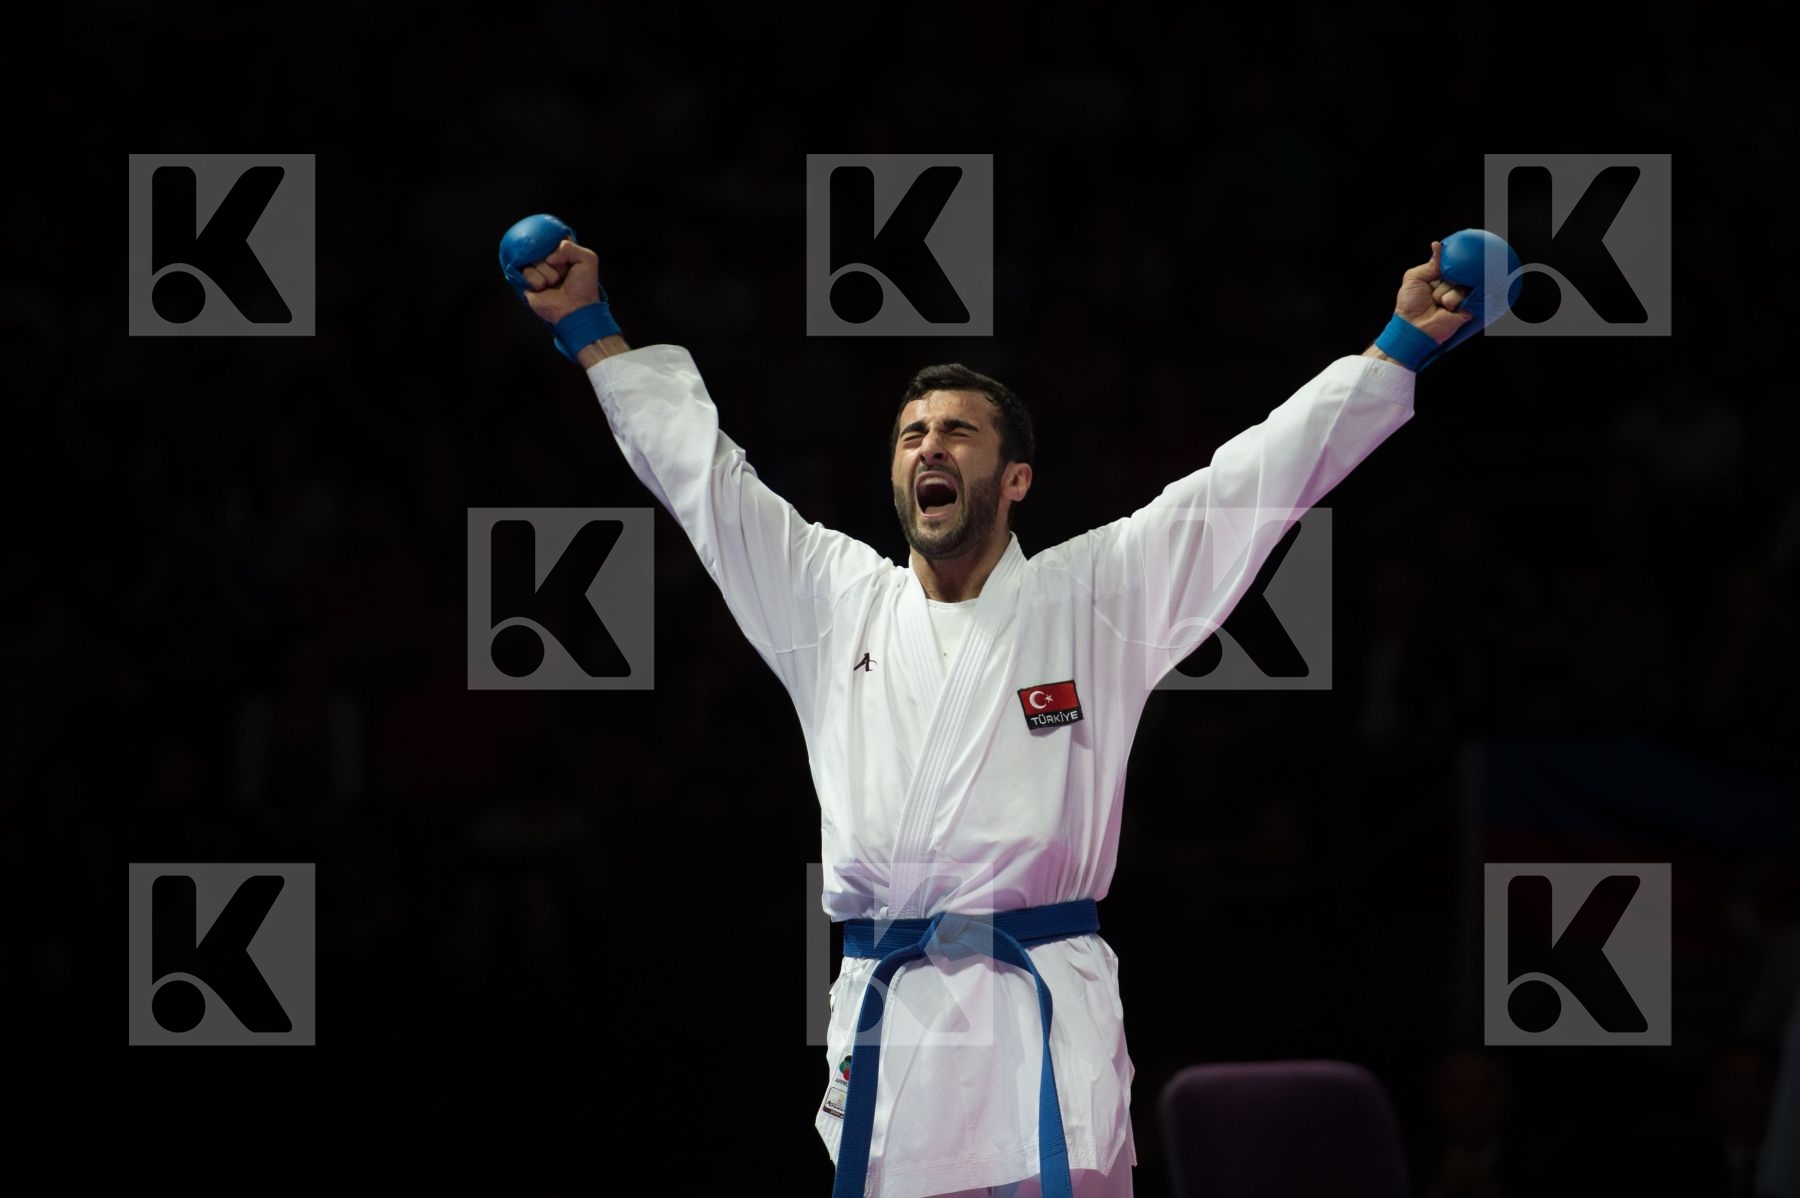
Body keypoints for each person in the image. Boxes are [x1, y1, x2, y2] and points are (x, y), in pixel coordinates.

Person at [512, 232, 1476, 1198]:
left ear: (1015, 479)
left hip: (1041, 1012)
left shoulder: (1095, 592)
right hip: (895, 1025)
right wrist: (593, 329)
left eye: (957, 433)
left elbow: (1252, 485)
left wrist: (1396, 345)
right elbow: (703, 479)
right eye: (910, 434)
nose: (928, 445)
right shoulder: (829, 596)